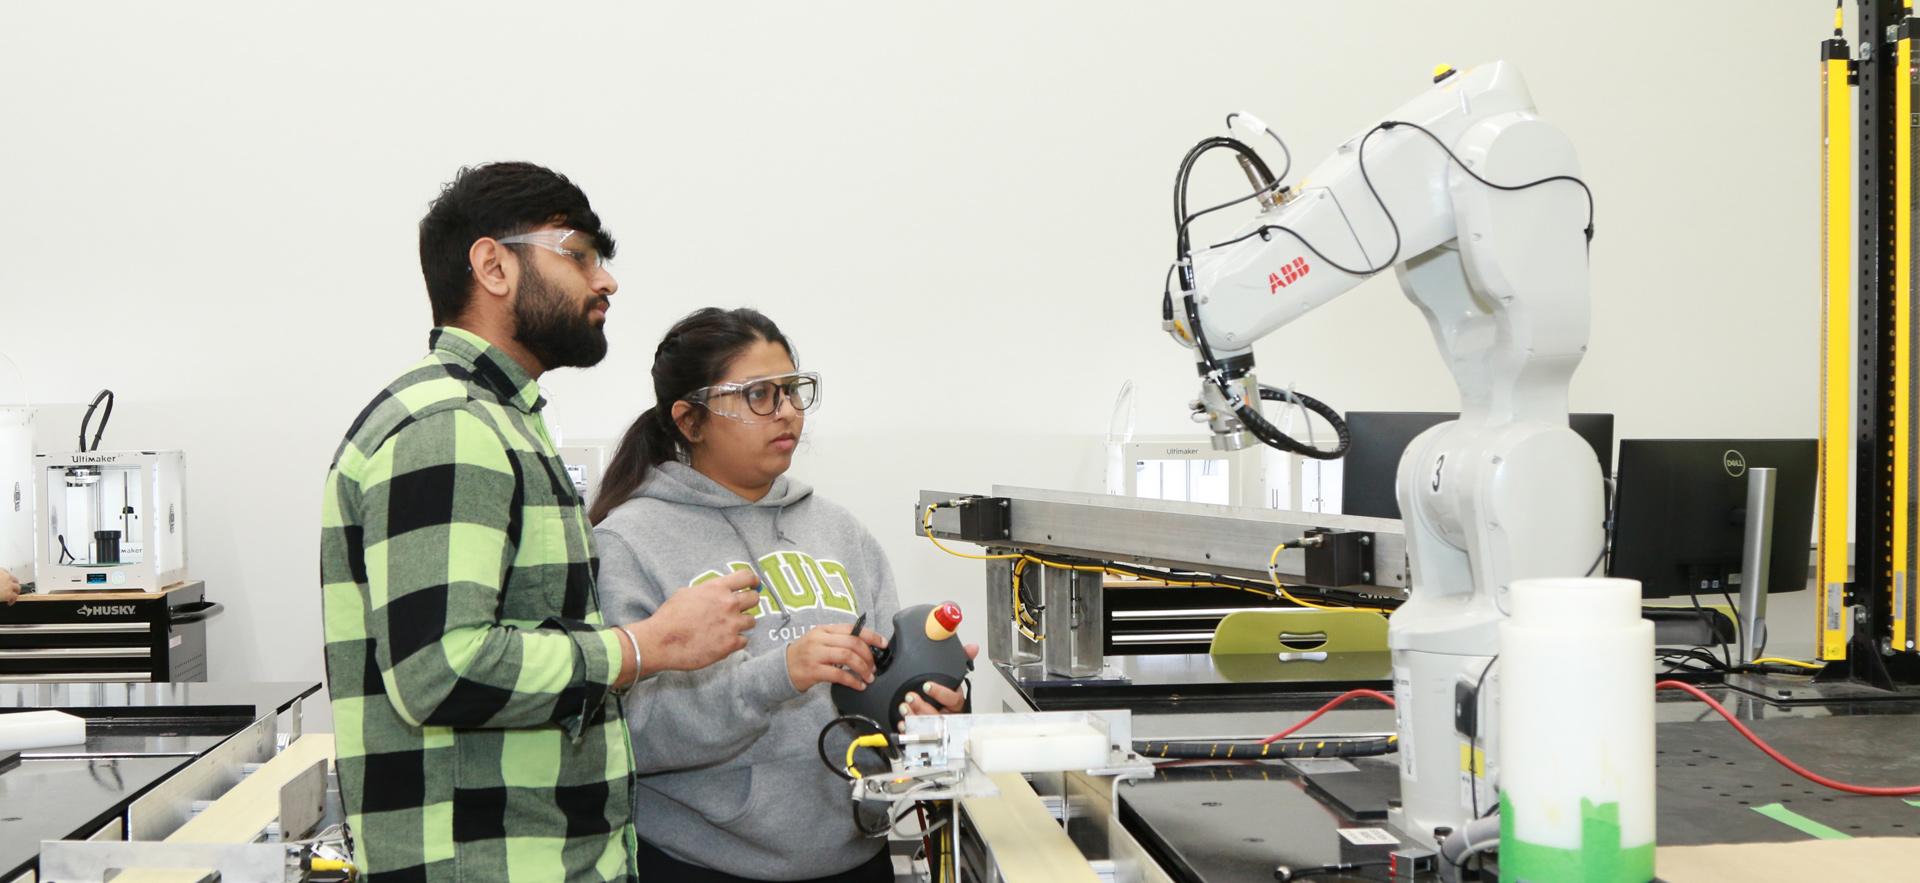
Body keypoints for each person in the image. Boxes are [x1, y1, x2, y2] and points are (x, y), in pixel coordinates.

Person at [319, 163, 762, 883]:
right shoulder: (450, 424)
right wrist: (643, 646)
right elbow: (440, 668)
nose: (606, 280)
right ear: (493, 264)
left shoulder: (500, 422)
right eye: (579, 254)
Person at [590, 307, 973, 883]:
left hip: (856, 859)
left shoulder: (841, 532)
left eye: (793, 391)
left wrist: (928, 708)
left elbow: (877, 697)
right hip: (701, 866)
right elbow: (630, 736)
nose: (788, 411)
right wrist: (778, 675)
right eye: (758, 395)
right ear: (690, 420)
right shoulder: (627, 542)